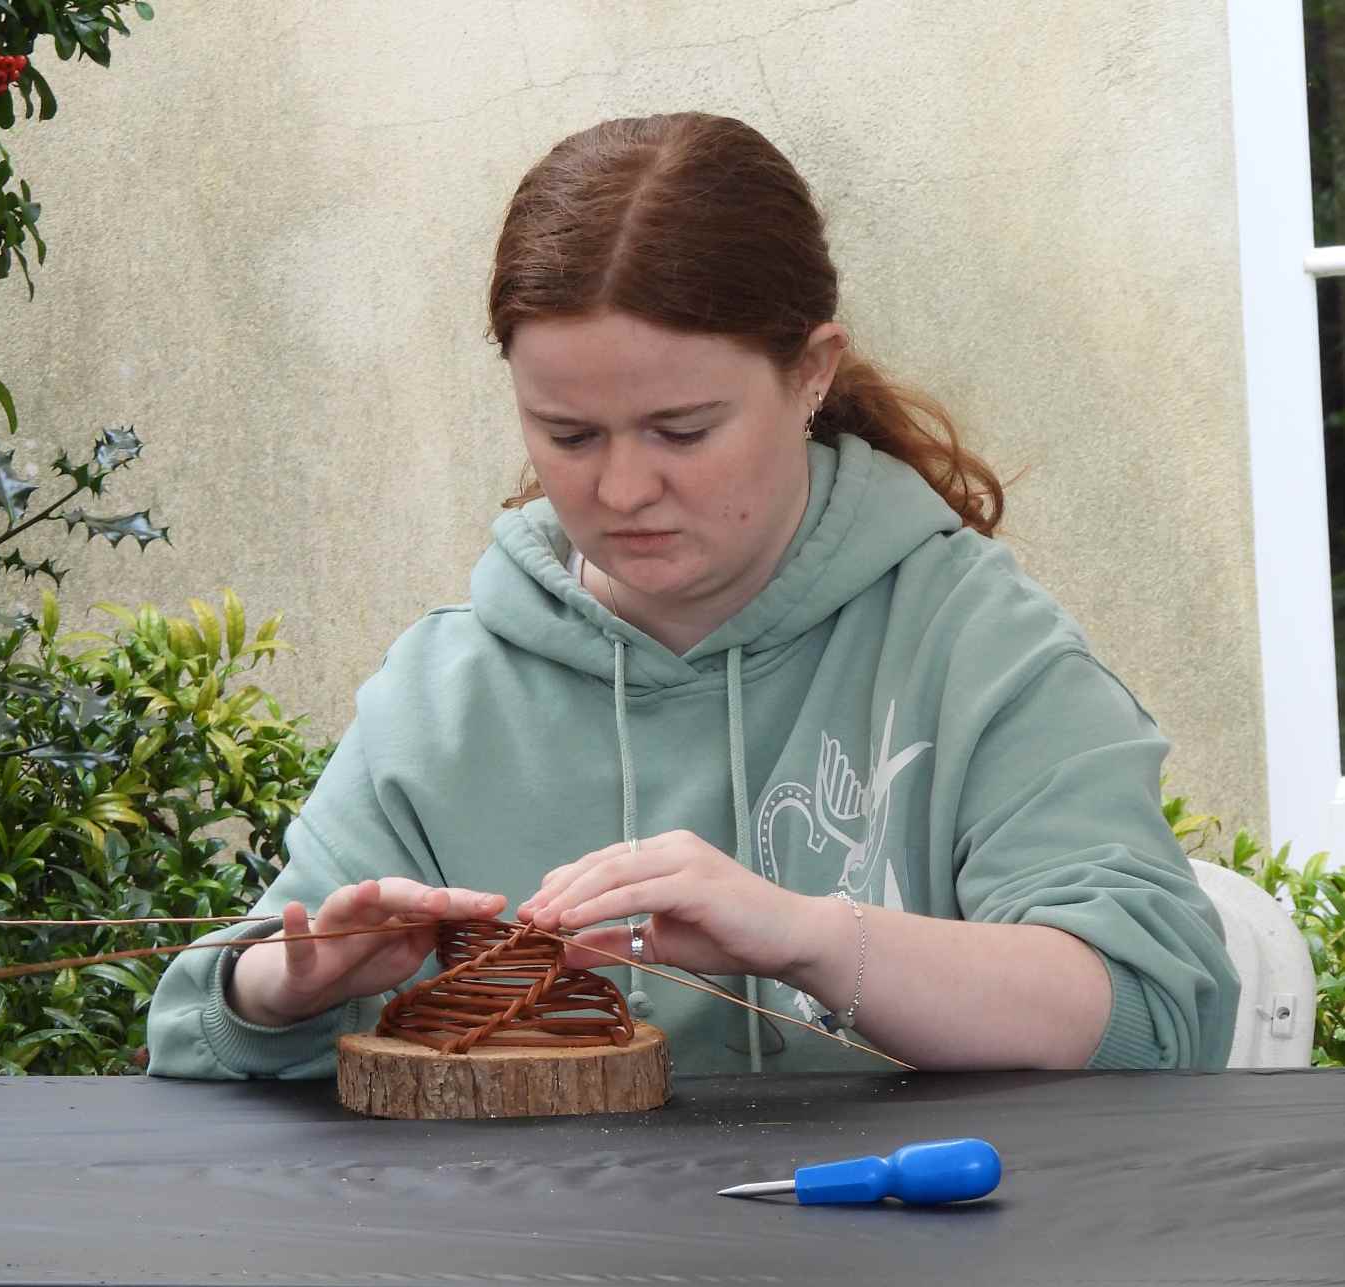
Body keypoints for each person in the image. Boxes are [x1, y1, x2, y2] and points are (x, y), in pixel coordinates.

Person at [146, 112, 1238, 1080]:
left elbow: (1154, 1015)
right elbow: (196, 1031)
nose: (623, 489)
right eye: (569, 434)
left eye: (682, 430)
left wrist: (810, 938)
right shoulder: (443, 695)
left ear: (811, 373)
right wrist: (282, 989)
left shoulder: (973, 644)